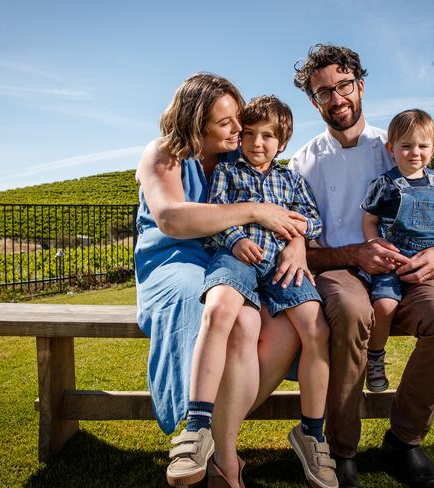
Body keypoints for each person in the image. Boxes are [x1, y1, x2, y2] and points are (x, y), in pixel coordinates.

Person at [289, 44, 434, 488]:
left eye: (344, 85)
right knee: (353, 313)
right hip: (340, 272)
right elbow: (303, 252)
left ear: (360, 86)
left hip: (405, 271)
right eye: (323, 92)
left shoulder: (393, 145)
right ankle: (341, 450)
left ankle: (403, 443)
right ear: (314, 102)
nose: (337, 98)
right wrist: (355, 254)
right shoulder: (302, 163)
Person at [134, 73, 309, 488]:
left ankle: (217, 438)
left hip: (228, 256)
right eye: (226, 122)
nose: (239, 128)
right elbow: (173, 218)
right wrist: (252, 210)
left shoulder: (237, 161)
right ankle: (216, 452)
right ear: (196, 123)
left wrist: (297, 244)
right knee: (213, 311)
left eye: (238, 120)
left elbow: (285, 208)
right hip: (174, 260)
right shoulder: (163, 154)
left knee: (270, 322)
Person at [201, 95, 338, 488]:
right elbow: (214, 214)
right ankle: (204, 427)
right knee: (225, 310)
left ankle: (311, 432)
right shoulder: (228, 173)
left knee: (317, 330)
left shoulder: (291, 180)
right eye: (249, 134)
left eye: (268, 136)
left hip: (282, 265)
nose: (257, 143)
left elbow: (313, 221)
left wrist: (297, 238)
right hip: (242, 260)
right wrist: (234, 239)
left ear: (283, 142)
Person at [359, 109, 434, 393]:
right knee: (384, 305)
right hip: (394, 260)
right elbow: (369, 220)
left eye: (423, 146)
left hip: (431, 262)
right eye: (406, 146)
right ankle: (375, 359)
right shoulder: (385, 184)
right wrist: (374, 243)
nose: (415, 152)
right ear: (391, 149)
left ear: (433, 148)